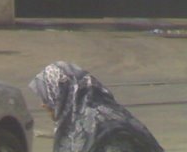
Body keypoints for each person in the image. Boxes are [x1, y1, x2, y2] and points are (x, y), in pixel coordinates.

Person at [30, 61, 164, 152]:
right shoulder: (75, 123)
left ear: (60, 95)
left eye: (47, 98)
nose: (43, 104)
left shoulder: (104, 128)